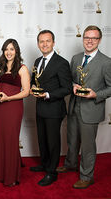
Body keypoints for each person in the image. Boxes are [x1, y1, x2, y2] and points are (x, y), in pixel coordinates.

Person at [57, 25, 111, 189]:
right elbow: (71, 80)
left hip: (91, 109)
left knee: (88, 146)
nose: (89, 41)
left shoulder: (106, 62)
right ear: (83, 39)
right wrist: (73, 85)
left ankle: (87, 176)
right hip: (74, 106)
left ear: (99, 40)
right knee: (72, 140)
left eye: (93, 38)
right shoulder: (76, 58)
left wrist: (96, 95)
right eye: (87, 37)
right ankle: (71, 163)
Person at [29, 30, 72, 186]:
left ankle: (52, 172)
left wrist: (47, 94)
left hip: (54, 108)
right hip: (40, 107)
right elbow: (35, 81)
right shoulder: (37, 61)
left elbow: (66, 88)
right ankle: (45, 163)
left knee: (53, 141)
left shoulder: (61, 63)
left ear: (54, 43)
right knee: (42, 139)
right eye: (41, 41)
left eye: (48, 41)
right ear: (38, 43)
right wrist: (33, 87)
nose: (44, 44)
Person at [0, 38, 30, 186]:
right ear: (3, 51)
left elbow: (26, 92)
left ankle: (10, 176)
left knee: (10, 139)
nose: (9, 52)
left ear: (17, 51)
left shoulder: (22, 68)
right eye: (6, 49)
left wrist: (8, 98)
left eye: (12, 49)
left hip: (13, 108)